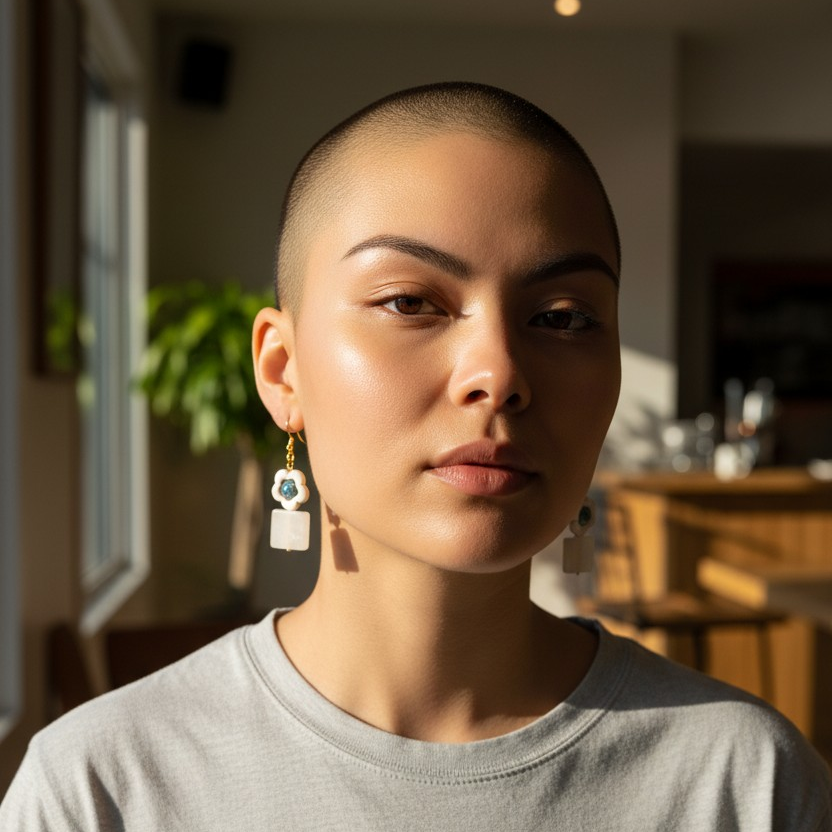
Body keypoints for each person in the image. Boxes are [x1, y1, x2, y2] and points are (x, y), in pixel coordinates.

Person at [2, 82, 830, 831]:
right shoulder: (100, 789)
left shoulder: (743, 783)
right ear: (282, 371)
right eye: (410, 302)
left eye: (566, 316)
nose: (500, 374)